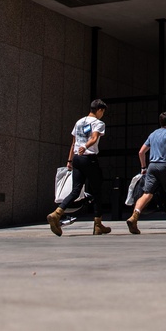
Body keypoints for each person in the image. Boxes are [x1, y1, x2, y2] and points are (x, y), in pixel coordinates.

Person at [47, 99, 112, 236]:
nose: (102, 115)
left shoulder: (79, 122)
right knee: (97, 190)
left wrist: (70, 160)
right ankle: (98, 224)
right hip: (89, 158)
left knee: (76, 190)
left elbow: (73, 143)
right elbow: (94, 138)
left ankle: (57, 213)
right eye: (103, 112)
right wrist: (86, 147)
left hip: (77, 158)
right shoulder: (98, 123)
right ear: (99, 110)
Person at [126, 111, 166, 234]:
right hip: (164, 165)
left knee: (147, 193)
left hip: (152, 166)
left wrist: (143, 167)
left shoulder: (152, 134)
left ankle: (134, 217)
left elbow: (141, 152)